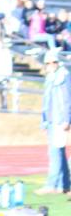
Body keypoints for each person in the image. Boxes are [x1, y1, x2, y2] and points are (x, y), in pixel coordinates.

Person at [39, 49, 71, 194]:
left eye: (53, 62)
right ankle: (64, 185)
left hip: (60, 120)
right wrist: (44, 121)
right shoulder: (50, 78)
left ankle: (51, 185)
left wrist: (67, 119)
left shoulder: (64, 77)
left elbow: (67, 100)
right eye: (48, 63)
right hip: (51, 121)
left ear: (58, 62)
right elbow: (46, 102)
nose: (51, 65)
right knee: (59, 152)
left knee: (54, 152)